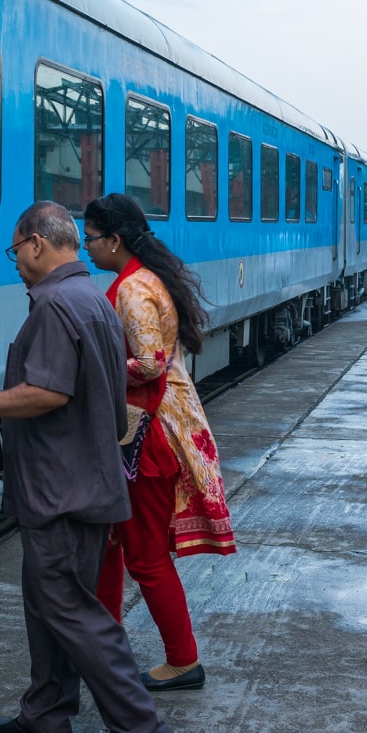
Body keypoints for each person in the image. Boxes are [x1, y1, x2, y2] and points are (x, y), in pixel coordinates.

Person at [0, 202, 173, 733]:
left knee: (70, 610)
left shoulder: (55, 304)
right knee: (49, 606)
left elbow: (46, 391)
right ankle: (46, 712)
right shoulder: (92, 297)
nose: (15, 261)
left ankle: (139, 726)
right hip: (81, 482)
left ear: (37, 243)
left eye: (15, 249)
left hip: (60, 489)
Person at [82, 194, 236, 692]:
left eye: (91, 240)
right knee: (113, 543)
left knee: (144, 555)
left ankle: (183, 660)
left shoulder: (131, 290)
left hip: (145, 434)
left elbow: (148, 362)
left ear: (115, 240)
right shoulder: (144, 280)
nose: (88, 250)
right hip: (145, 426)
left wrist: (88, 368)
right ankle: (106, 645)